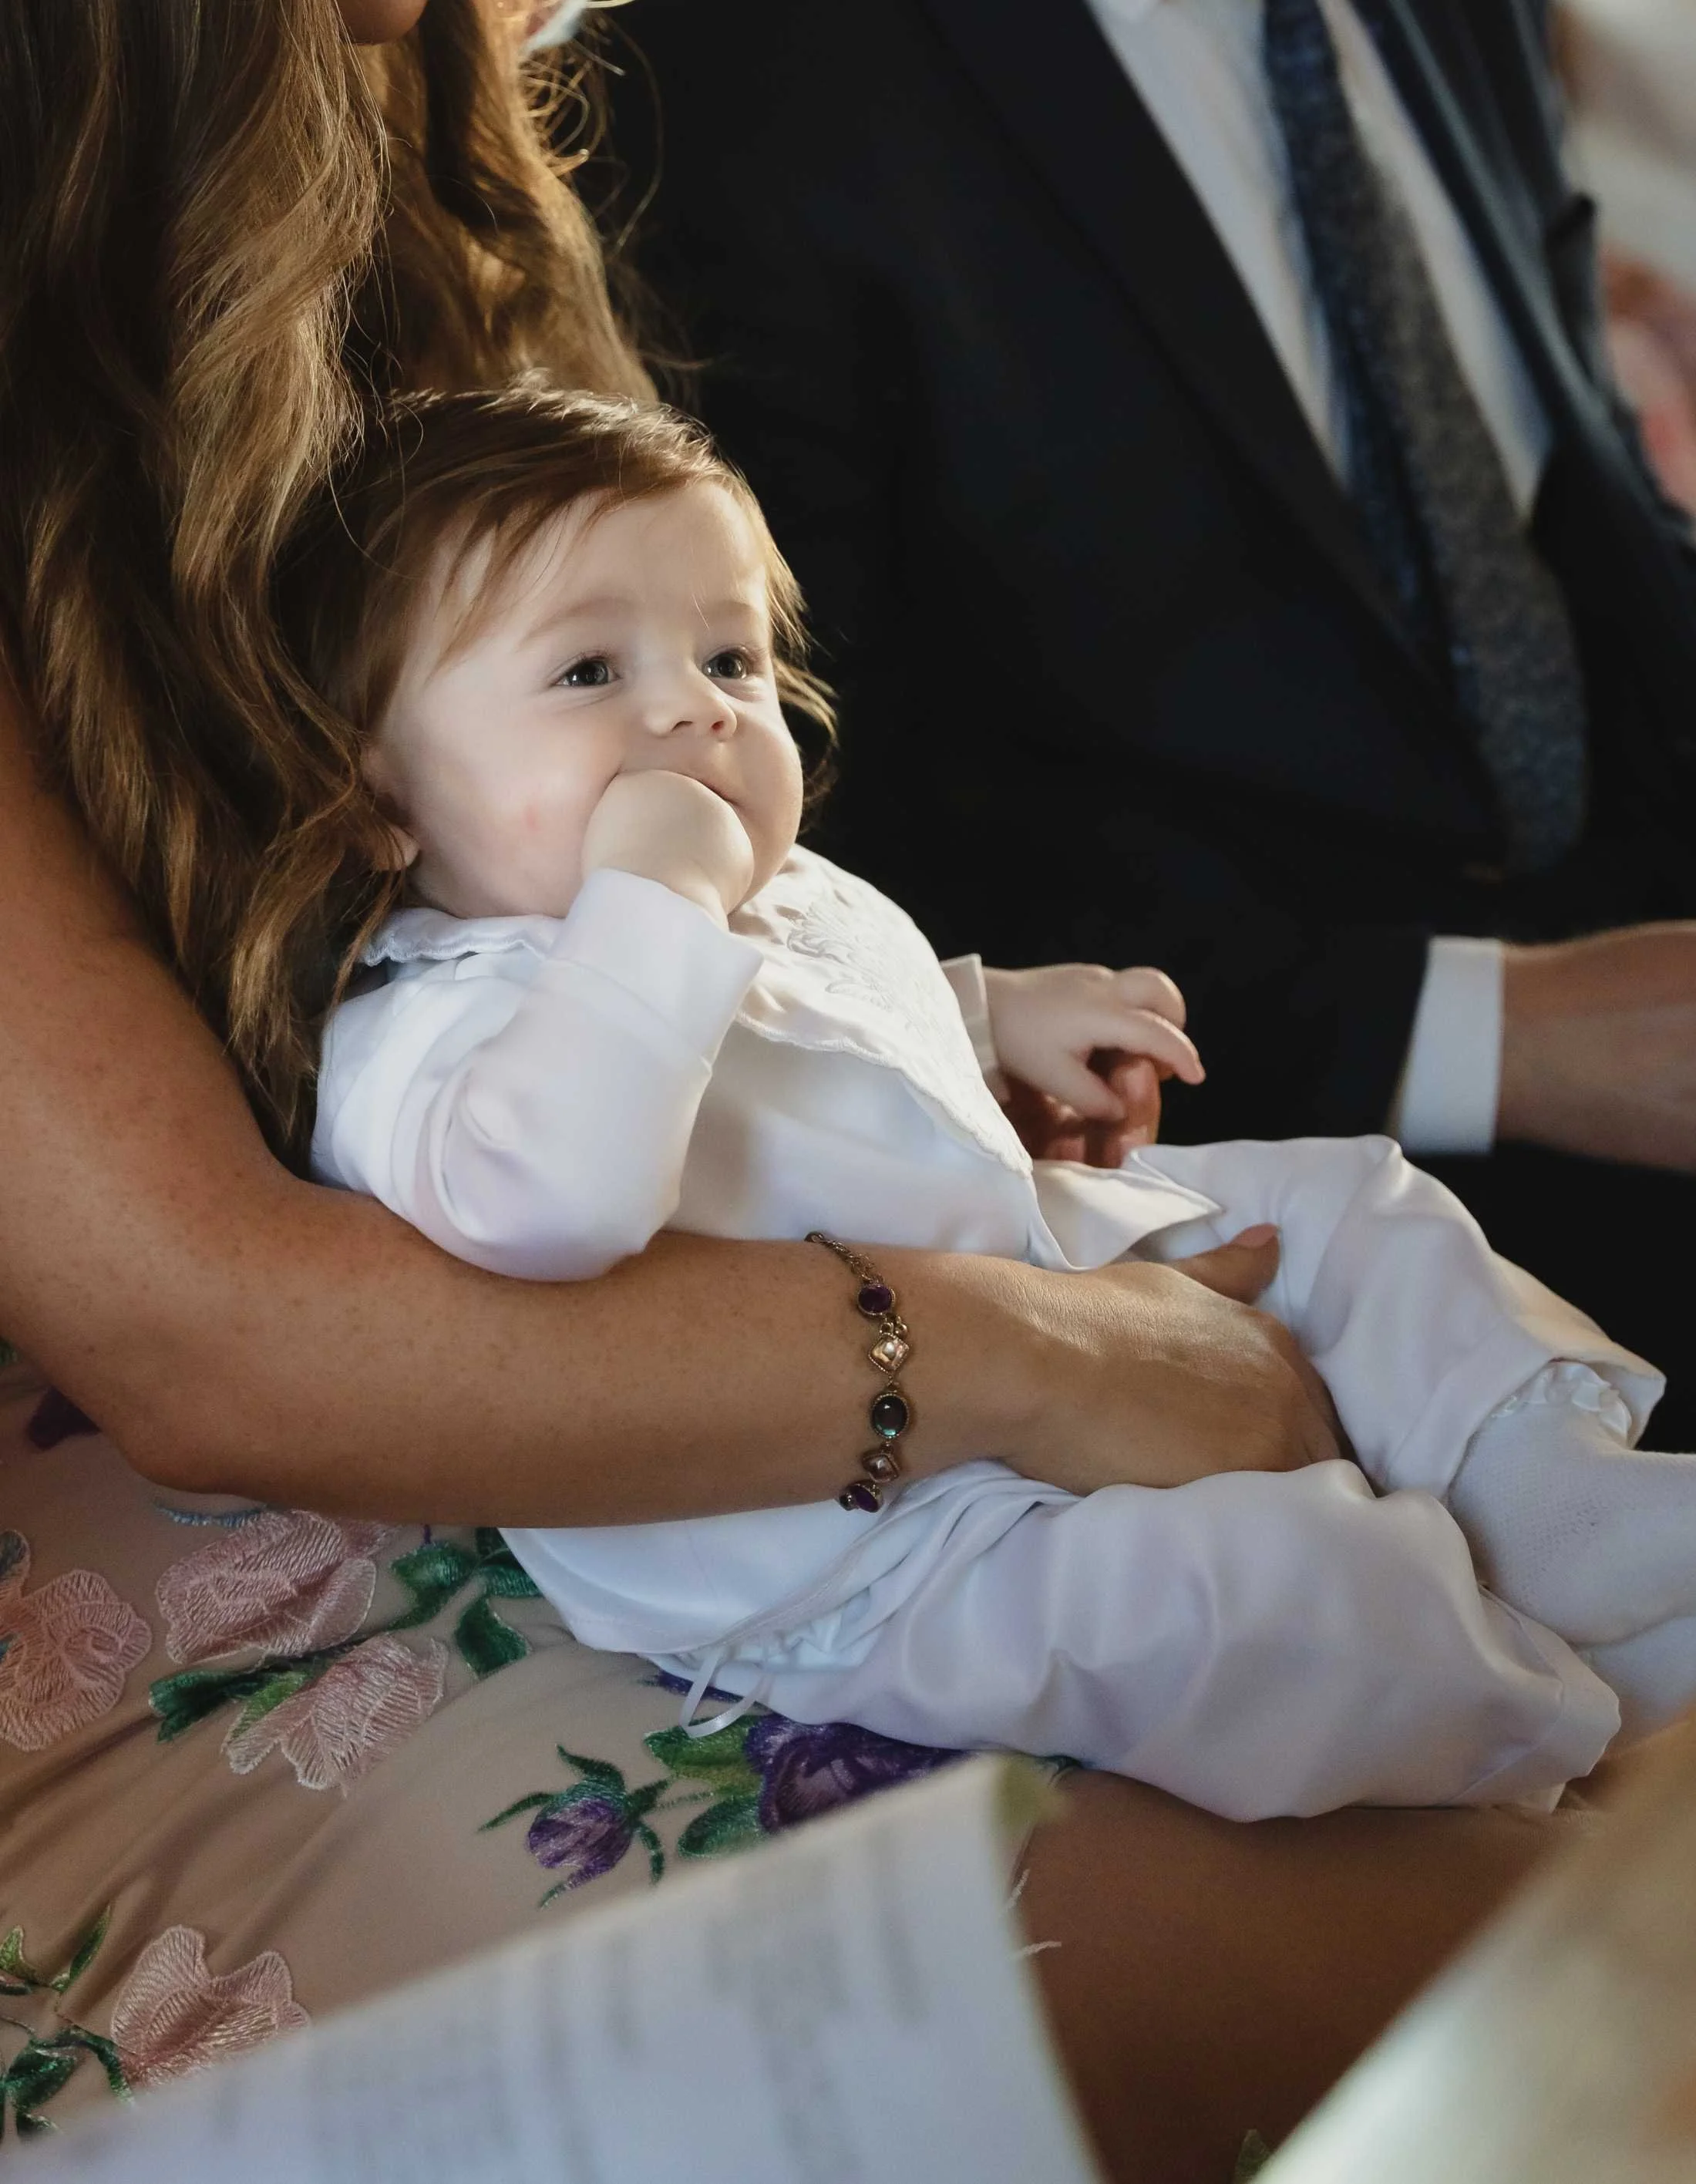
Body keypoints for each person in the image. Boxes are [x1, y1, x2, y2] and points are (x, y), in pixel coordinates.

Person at [0, 2, 1600, 2178]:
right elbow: (228, 1339)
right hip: (181, 1576)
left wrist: (943, 1041)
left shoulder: (396, 161)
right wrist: (1034, 1353)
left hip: (597, 1362)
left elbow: (749, 916)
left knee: (1545, 1772)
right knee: (1458, 1960)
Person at [299, 379, 1688, 1821]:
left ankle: (1561, 1510)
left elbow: (825, 1012)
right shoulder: (412, 1027)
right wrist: (656, 896)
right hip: (838, 1536)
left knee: (1353, 1204)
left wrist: (991, 1011)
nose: (691, 712)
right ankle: (1528, 1708)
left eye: (733, 656)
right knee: (1229, 1609)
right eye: (588, 673)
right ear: (377, 792)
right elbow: (553, 1203)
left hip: (1013, 1258)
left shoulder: (739, 889)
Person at [600, 0, 1696, 1442]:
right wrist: (1502, 1034)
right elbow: (814, 842)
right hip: (1220, 1177)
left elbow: (1568, 522)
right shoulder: (725, 78)